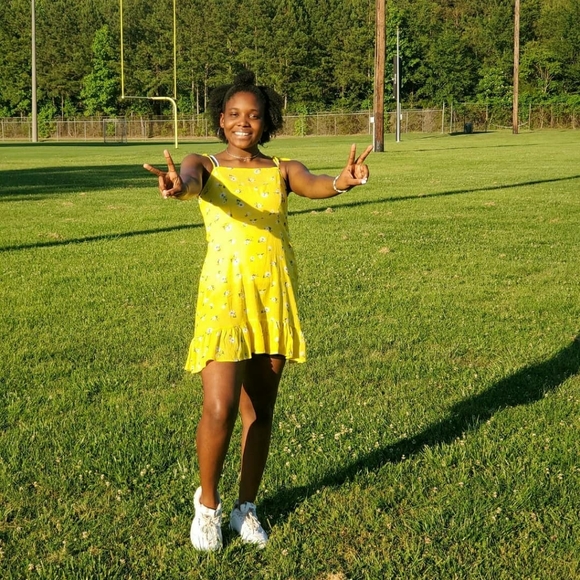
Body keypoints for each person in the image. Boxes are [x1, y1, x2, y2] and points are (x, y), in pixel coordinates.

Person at [144, 71, 371, 552]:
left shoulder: (283, 169)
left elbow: (314, 184)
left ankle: (245, 507)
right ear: (220, 120)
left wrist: (342, 182)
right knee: (220, 408)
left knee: (259, 412)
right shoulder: (203, 163)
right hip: (224, 298)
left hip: (272, 299)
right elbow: (189, 183)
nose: (242, 122)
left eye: (253, 115)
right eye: (234, 114)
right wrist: (177, 187)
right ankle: (208, 506)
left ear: (267, 122)